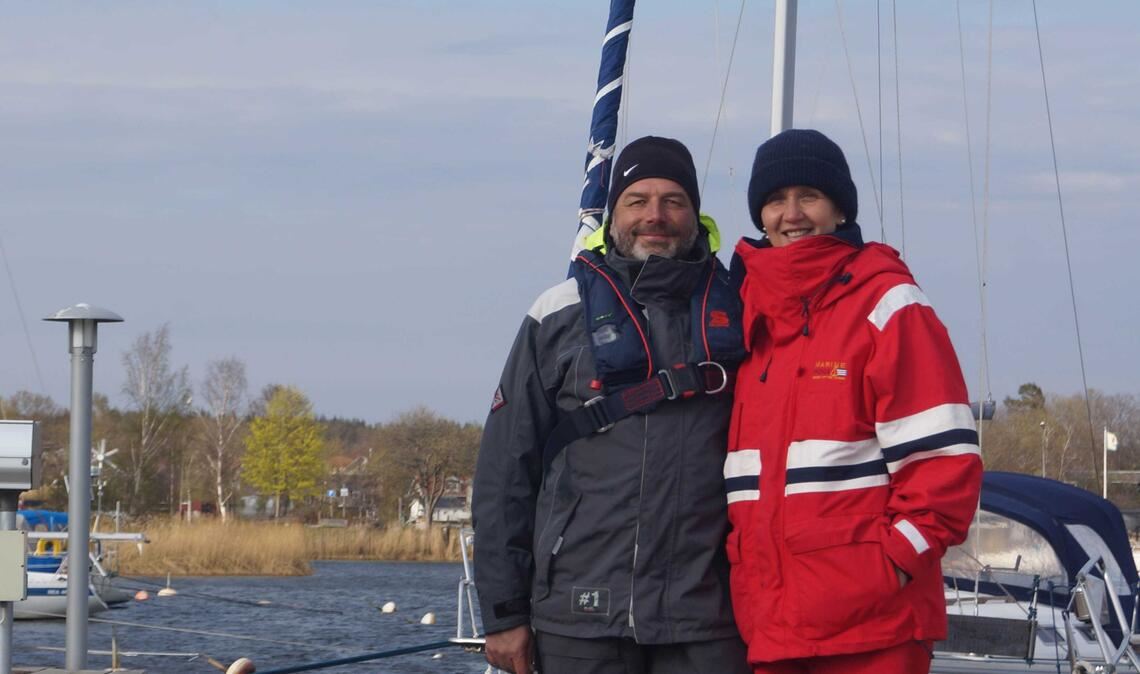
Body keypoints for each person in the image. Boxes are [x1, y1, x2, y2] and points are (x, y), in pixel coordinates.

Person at [473, 136, 751, 674]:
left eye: (673, 201)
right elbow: (505, 472)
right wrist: (504, 612)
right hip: (578, 620)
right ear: (614, 213)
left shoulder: (744, 310)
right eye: (637, 200)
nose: (655, 216)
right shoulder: (556, 314)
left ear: (695, 213)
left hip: (708, 621)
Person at [725, 129, 983, 674]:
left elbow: (945, 465)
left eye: (809, 196)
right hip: (771, 626)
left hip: (875, 629)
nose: (791, 214)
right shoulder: (747, 317)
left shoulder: (888, 304)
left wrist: (892, 566)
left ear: (840, 209)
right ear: (760, 216)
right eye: (775, 200)